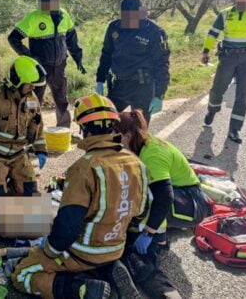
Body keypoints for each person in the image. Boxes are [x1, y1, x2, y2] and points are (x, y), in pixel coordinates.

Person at [10, 94, 147, 299]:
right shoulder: (136, 162)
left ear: (84, 129)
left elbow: (67, 228)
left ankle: (81, 289)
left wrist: (46, 251)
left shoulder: (85, 167)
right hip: (115, 247)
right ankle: (108, 269)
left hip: (84, 251)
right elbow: (139, 212)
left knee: (21, 274)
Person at [114, 109, 210, 298]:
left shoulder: (151, 155)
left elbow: (163, 197)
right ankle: (158, 233)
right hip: (183, 195)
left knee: (144, 194)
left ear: (127, 135)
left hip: (191, 204)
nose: (116, 142)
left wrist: (149, 232)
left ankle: (158, 238)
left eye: (117, 137)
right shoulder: (142, 144)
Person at [0, 56, 49, 196]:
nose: (33, 87)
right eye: (29, 84)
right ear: (17, 81)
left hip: (19, 155)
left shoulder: (31, 98)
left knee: (31, 194)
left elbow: (38, 124)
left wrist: (41, 150)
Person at [8, 0, 85, 128]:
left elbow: (72, 39)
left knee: (61, 100)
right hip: (39, 69)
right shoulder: (34, 17)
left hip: (59, 67)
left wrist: (78, 58)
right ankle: (31, 133)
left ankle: (63, 131)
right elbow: (13, 38)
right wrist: (31, 59)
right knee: (33, 101)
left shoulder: (64, 15)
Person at [95, 0, 170, 124]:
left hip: (142, 87)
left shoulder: (154, 31)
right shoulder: (115, 27)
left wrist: (159, 95)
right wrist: (100, 80)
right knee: (107, 122)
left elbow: (162, 64)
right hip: (119, 85)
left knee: (138, 132)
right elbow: (106, 54)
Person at [202, 0, 246, 144]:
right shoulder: (226, 13)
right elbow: (213, 32)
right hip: (228, 58)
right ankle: (212, 110)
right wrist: (205, 51)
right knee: (218, 88)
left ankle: (235, 129)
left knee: (243, 94)